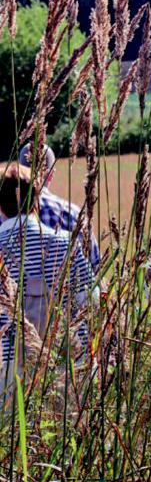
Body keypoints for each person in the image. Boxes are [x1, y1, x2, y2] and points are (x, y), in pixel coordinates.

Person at [0, 164, 97, 395]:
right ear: (37, 200)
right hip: (67, 375)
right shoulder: (65, 244)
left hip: (12, 380)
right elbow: (93, 303)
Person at [19, 143, 101, 271]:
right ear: (51, 174)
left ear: (20, 172)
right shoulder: (73, 213)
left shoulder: (6, 215)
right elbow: (95, 266)